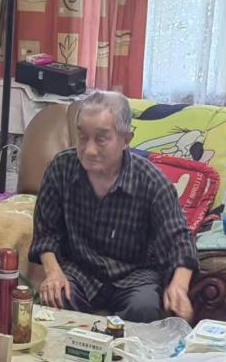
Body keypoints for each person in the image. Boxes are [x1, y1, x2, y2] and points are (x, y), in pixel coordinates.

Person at [29, 91, 198, 323]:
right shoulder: (61, 168)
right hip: (80, 272)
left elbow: (179, 239)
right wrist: (53, 273)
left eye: (101, 139)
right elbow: (46, 233)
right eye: (82, 137)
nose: (89, 150)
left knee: (144, 308)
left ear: (126, 139)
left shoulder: (151, 180)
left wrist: (179, 286)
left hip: (134, 275)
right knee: (53, 301)